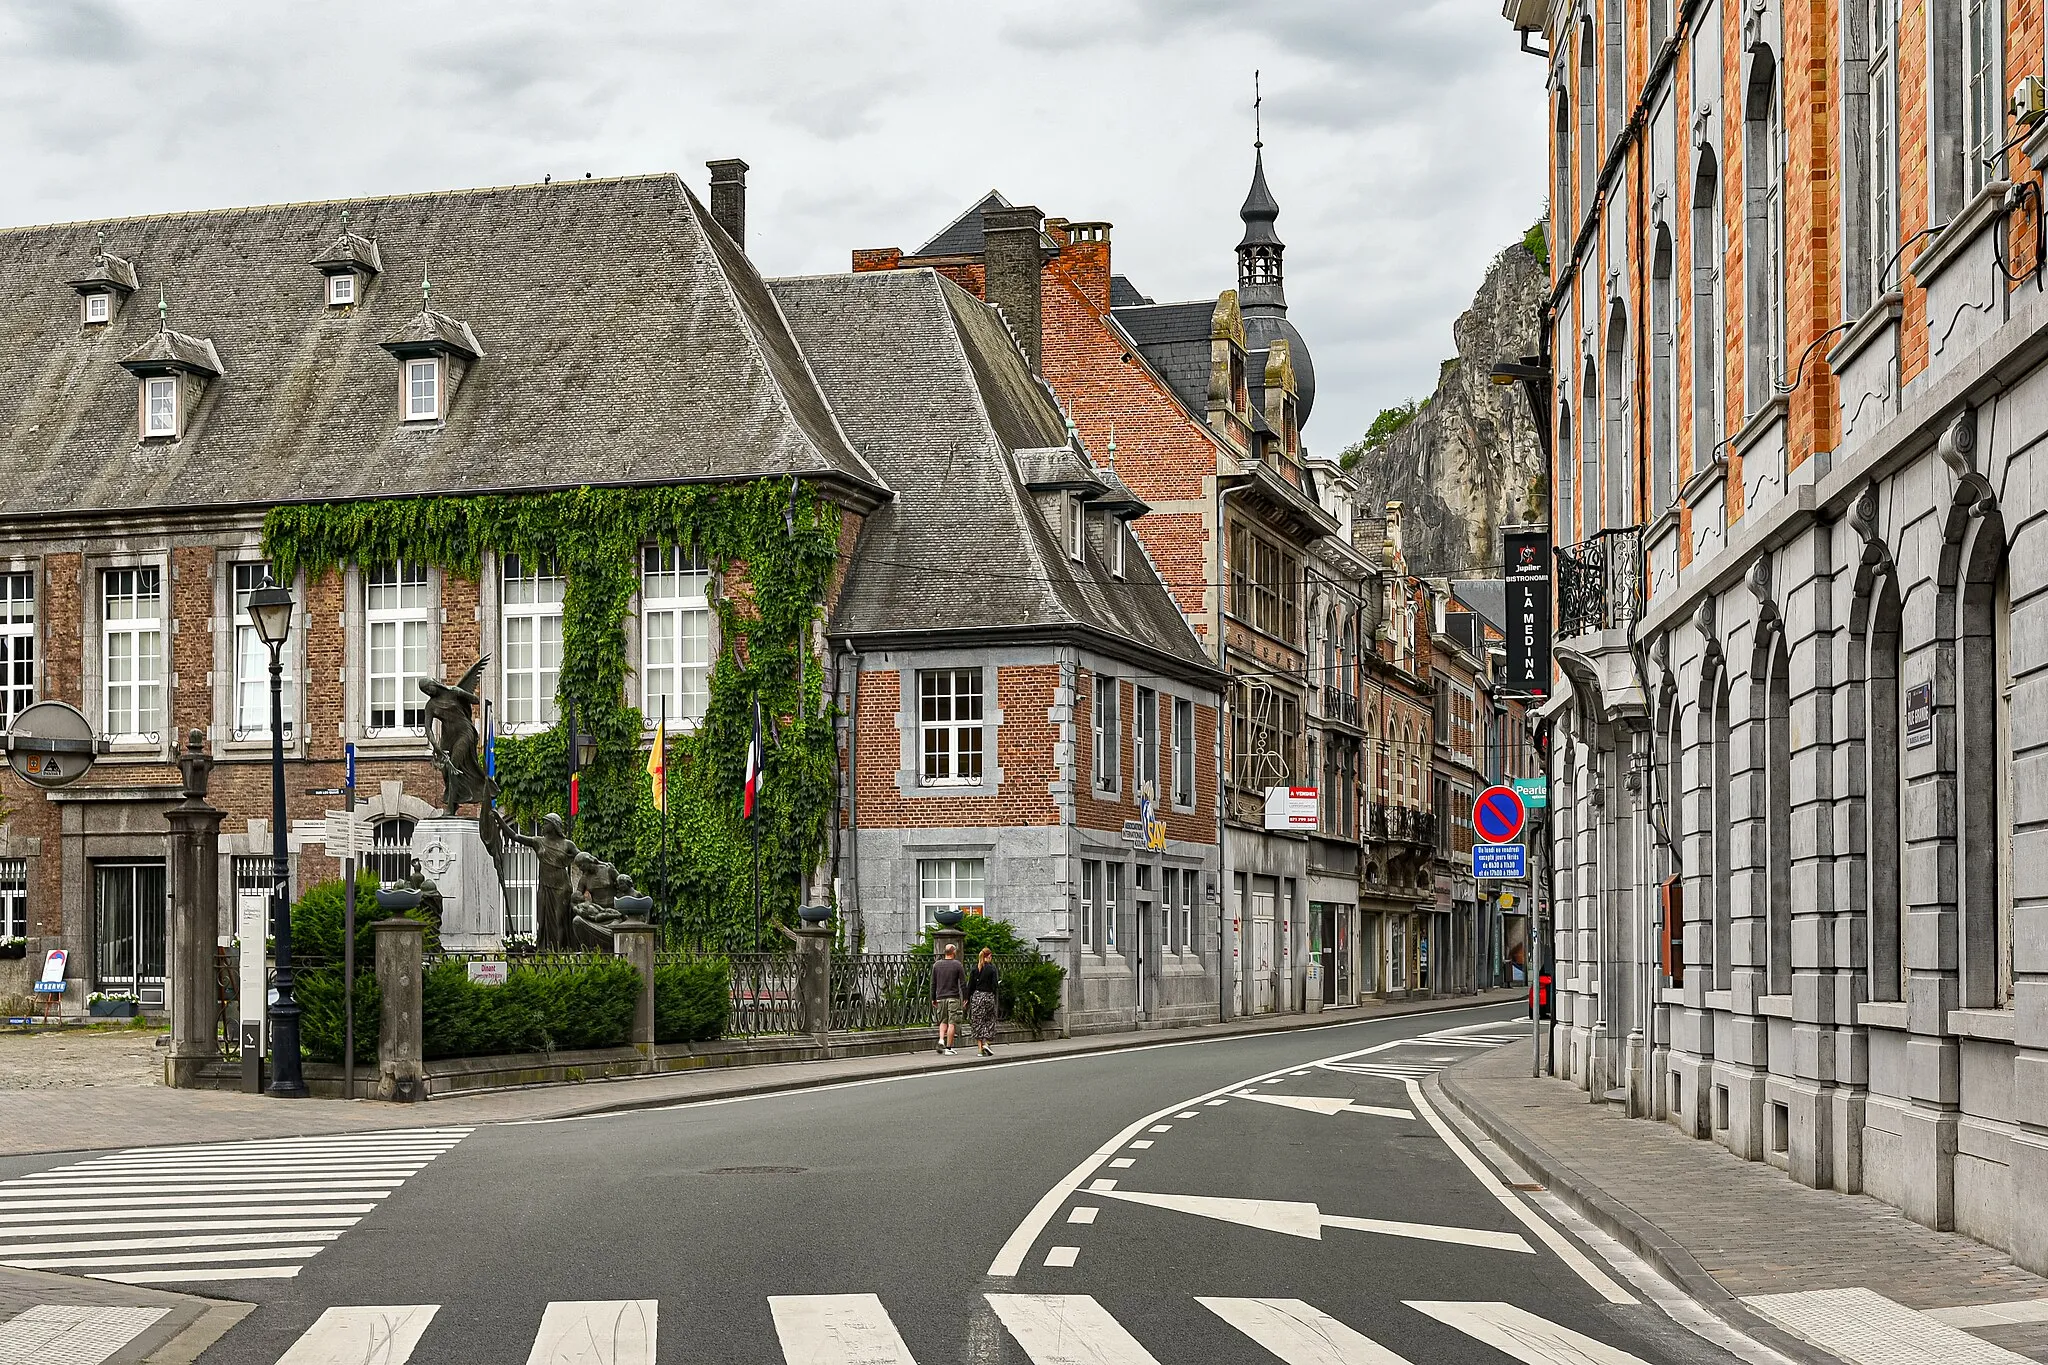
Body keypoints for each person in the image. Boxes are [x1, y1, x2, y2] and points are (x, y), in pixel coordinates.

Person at [932, 942, 967, 1055]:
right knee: (952, 1022)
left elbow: (933, 983)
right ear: (953, 952)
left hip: (940, 997)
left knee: (942, 1020)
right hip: (953, 997)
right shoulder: (957, 965)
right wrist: (965, 997)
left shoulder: (936, 965)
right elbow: (962, 983)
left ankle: (941, 1039)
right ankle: (949, 1047)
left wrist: (933, 998)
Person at [966, 947, 1000, 1058]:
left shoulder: (975, 968)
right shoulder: (992, 969)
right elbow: (995, 984)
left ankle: (980, 1049)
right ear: (989, 956)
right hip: (988, 996)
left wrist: (967, 998)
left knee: (977, 1021)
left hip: (977, 996)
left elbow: (970, 985)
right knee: (990, 1020)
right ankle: (987, 1043)